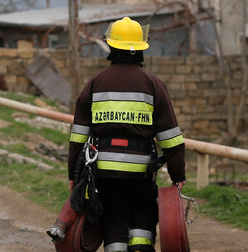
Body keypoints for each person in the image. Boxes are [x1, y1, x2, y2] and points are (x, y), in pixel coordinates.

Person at [49, 17, 186, 252]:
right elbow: (170, 137)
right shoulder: (154, 84)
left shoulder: (95, 83)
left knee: (114, 217)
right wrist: (177, 173)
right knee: (143, 211)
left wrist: (73, 173)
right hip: (141, 173)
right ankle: (141, 247)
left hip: (104, 172)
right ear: (141, 48)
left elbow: (78, 137)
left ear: (111, 47)